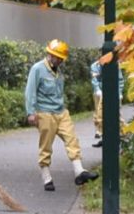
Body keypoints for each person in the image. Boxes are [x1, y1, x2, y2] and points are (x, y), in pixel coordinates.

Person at [23, 38, 93, 191]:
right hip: (45, 113)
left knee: (72, 139)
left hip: (61, 112)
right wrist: (31, 113)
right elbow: (30, 91)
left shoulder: (58, 71)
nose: (61, 61)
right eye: (59, 58)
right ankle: (46, 177)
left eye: (62, 58)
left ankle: (79, 172)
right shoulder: (37, 69)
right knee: (46, 146)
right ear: (51, 55)